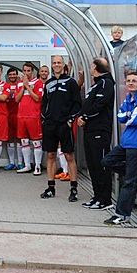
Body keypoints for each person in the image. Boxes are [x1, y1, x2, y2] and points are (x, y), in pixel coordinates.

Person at [103, 71, 137, 225]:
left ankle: (122, 215)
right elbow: (120, 117)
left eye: (134, 81)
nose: (130, 83)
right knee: (106, 162)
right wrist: (127, 115)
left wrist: (128, 115)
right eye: (128, 81)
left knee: (129, 181)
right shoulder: (129, 97)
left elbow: (135, 119)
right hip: (127, 142)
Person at [40, 55, 82, 201]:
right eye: (54, 63)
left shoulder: (71, 82)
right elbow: (44, 103)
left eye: (59, 62)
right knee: (50, 155)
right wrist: (44, 119)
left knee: (69, 155)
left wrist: (70, 119)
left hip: (65, 124)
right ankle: (51, 188)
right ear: (52, 65)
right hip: (50, 125)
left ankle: (74, 189)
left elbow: (77, 103)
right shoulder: (48, 83)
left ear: (63, 65)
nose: (57, 65)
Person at [77, 57, 116, 210]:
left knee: (100, 164)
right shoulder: (96, 84)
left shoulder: (106, 83)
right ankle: (97, 196)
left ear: (97, 67)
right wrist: (80, 115)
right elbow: (88, 104)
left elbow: (100, 105)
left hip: (100, 130)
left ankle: (105, 199)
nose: (90, 68)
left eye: (92, 66)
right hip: (90, 129)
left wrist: (85, 117)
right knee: (92, 165)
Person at [13, 62, 44, 175]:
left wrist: (28, 87)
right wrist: (23, 87)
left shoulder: (38, 82)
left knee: (36, 142)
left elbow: (37, 98)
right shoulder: (19, 83)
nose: (26, 73)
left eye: (28, 71)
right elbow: (16, 99)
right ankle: (27, 165)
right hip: (21, 116)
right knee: (24, 141)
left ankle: (37, 166)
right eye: (24, 71)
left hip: (33, 116)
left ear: (32, 71)